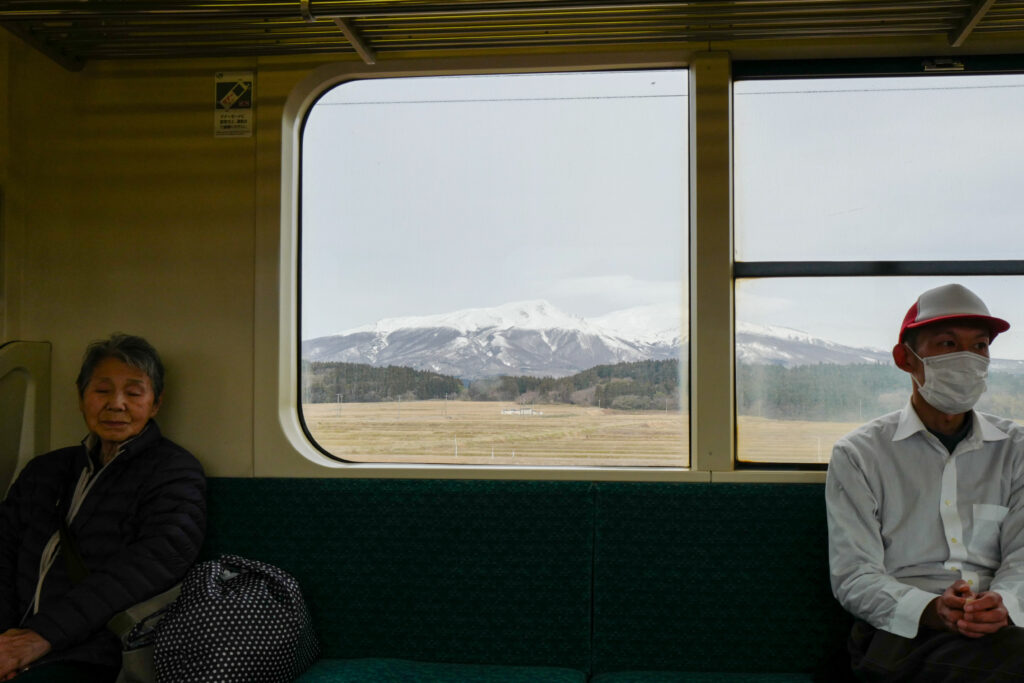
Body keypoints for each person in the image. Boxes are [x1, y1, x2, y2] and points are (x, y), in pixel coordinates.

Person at [826, 283, 1024, 682]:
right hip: (900, 630)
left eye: (980, 346)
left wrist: (1005, 603)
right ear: (906, 359)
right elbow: (854, 575)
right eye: (948, 343)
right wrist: (931, 610)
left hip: (1002, 628)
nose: (967, 359)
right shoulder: (859, 454)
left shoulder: (1016, 450)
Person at [0, 334, 206, 682]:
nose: (116, 404)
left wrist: (41, 637)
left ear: (155, 403)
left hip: (95, 654)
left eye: (134, 392)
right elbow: (3, 550)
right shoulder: (45, 471)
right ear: (81, 398)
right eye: (102, 390)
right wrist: (7, 641)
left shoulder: (175, 473)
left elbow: (148, 568)